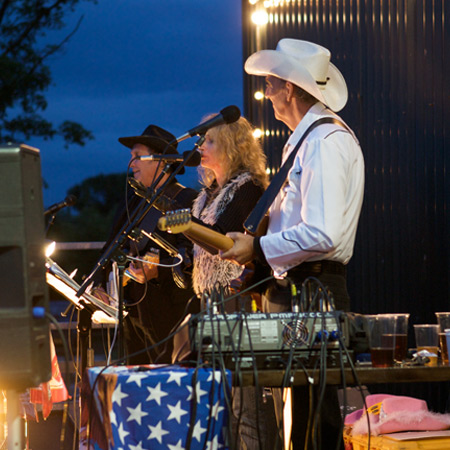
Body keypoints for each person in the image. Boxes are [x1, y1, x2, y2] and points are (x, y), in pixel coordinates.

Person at [221, 39, 365, 448]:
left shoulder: (323, 142)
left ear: (289, 88)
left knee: (312, 413)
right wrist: (261, 266)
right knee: (302, 410)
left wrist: (258, 250)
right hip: (302, 287)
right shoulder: (310, 140)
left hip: (312, 289)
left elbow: (322, 233)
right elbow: (304, 227)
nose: (266, 94)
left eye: (270, 84)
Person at [187, 115, 271, 449]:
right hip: (211, 301)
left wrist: (186, 225)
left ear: (231, 145)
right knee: (223, 407)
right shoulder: (207, 194)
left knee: (246, 404)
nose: (201, 147)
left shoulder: (248, 187)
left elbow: (227, 242)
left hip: (239, 298)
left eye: (209, 140)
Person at [93, 124, 198, 364]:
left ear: (161, 162)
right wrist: (99, 282)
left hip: (167, 311)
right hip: (131, 309)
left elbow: (188, 255)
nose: (132, 164)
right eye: (132, 157)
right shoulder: (134, 198)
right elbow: (110, 245)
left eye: (138, 157)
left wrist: (157, 269)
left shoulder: (185, 199)